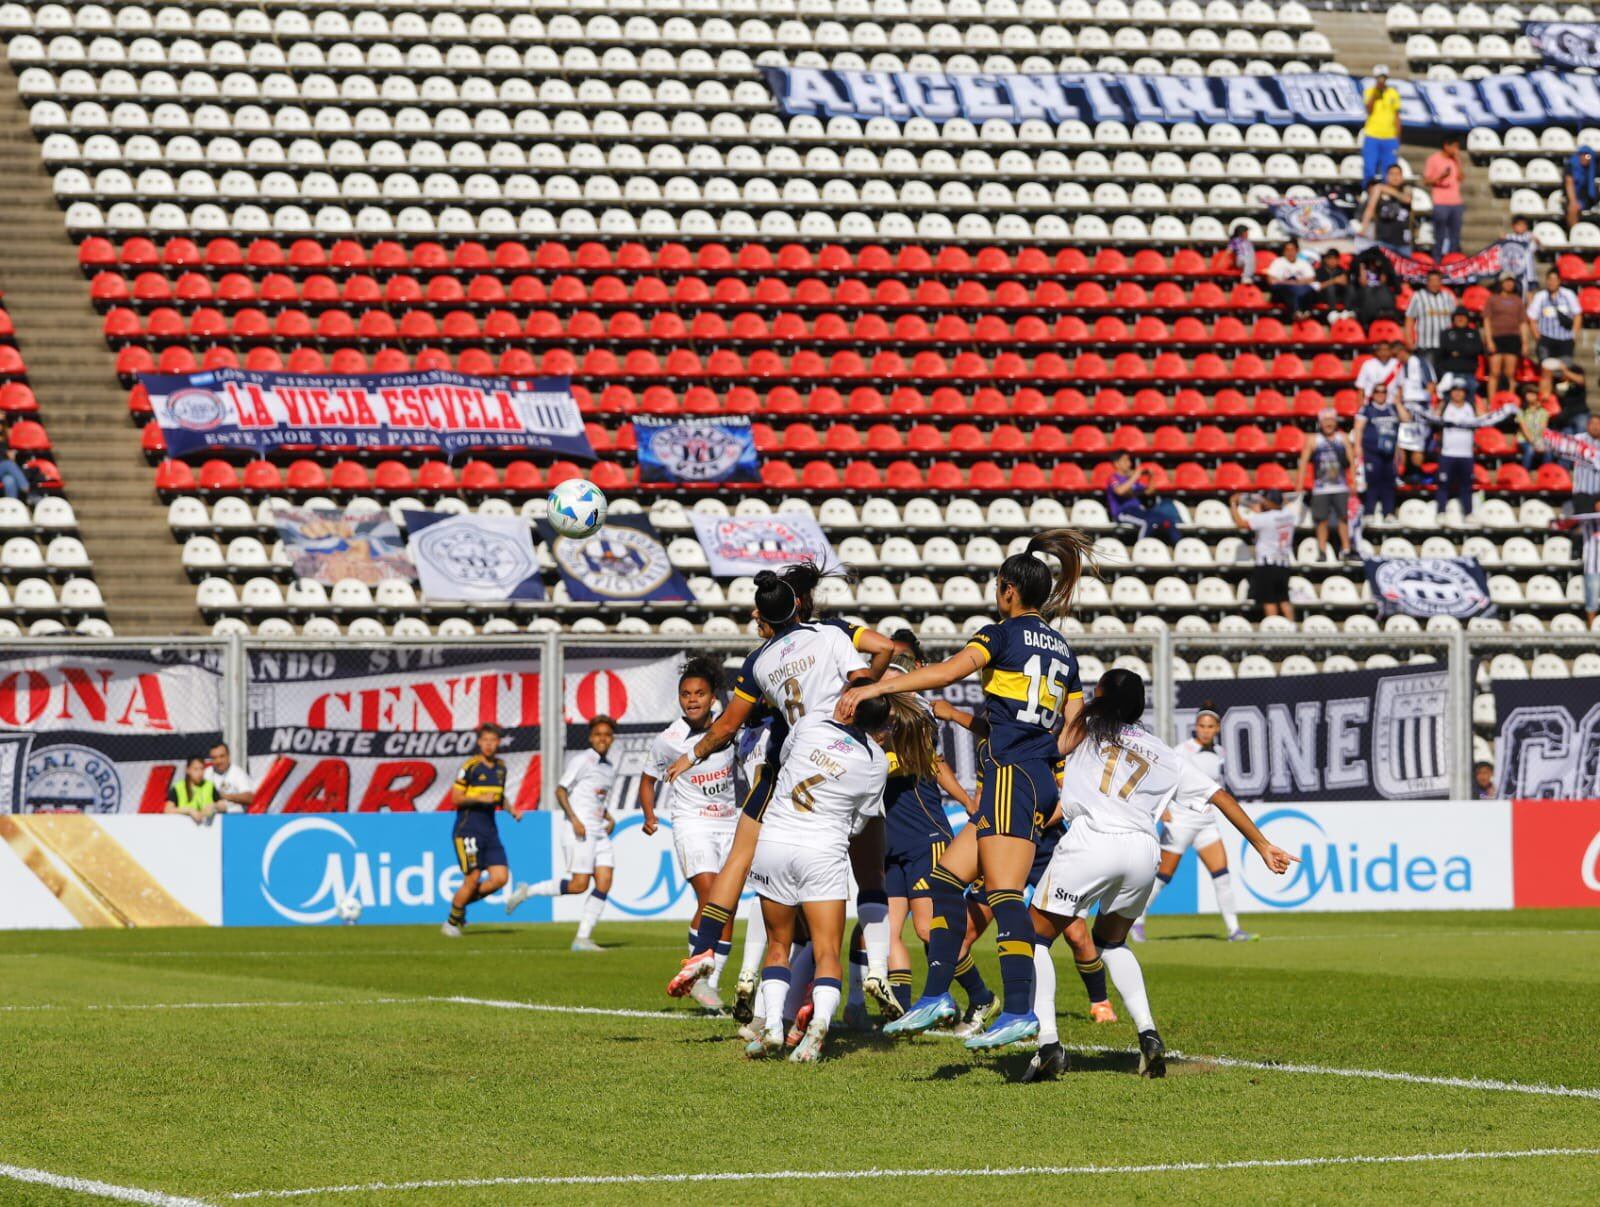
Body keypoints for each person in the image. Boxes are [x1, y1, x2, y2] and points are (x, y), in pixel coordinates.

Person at [840, 530, 1093, 1050]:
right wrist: (1041, 755)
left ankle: (1019, 1009)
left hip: (1009, 775)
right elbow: (1073, 725)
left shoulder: (999, 634)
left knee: (1003, 892)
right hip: (1034, 775)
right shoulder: (1064, 650)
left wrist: (879, 685)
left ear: (1006, 590)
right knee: (943, 880)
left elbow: (948, 671)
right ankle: (936, 995)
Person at [1022, 671, 1294, 1082]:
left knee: (1034, 939)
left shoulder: (1086, 729)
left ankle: (1048, 1045)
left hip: (1093, 840)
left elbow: (1052, 743)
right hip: (1142, 850)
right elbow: (1218, 796)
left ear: (1101, 700)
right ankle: (1148, 1035)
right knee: (1111, 942)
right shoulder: (1164, 752)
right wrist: (1261, 845)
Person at [664, 563, 895, 1008]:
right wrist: (864, 692)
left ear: (765, 615)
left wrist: (690, 755)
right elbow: (882, 648)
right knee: (868, 875)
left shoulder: (758, 661)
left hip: (792, 762)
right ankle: (874, 975)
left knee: (747, 861)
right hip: (847, 757)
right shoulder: (832, 633)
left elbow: (727, 725)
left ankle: (708, 950)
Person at [743, 698, 891, 1063]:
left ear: (848, 708)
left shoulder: (809, 725)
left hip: (775, 840)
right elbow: (861, 822)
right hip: (823, 850)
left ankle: (774, 1027)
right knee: (826, 951)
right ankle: (818, 1029)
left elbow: (785, 759)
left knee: (779, 943)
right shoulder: (876, 761)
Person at [638, 657, 741, 1011]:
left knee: (726, 906)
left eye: (699, 693)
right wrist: (649, 814)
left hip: (729, 823)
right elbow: (647, 779)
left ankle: (709, 983)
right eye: (685, 694)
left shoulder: (730, 730)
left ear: (713, 696)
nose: (692, 700)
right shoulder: (669, 739)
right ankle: (698, 970)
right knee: (712, 896)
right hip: (691, 822)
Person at [1130, 706, 1256, 944]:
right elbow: (1162, 777)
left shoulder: (1220, 752)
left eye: (1210, 726)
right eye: (1202, 726)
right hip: (1181, 822)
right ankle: (1137, 921)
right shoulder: (1182, 751)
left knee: (1222, 875)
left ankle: (1234, 930)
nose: (1206, 731)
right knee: (1163, 877)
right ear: (1196, 727)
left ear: (1217, 728)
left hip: (1207, 822)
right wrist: (1164, 807)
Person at [507, 715, 617, 951]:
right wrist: (575, 819)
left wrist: (607, 816)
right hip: (579, 830)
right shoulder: (582, 760)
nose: (602, 739)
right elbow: (560, 790)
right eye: (598, 734)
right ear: (591, 737)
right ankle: (528, 891)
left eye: (607, 735)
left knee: (605, 882)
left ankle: (582, 938)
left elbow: (593, 797)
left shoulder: (609, 767)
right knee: (579, 885)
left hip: (599, 831)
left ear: (612, 738)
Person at [441, 724, 521, 937]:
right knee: (473, 877)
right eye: (485, 740)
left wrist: (512, 810)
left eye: (493, 740)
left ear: (498, 743)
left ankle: (461, 905)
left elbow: (499, 796)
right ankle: (451, 923)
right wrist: (478, 797)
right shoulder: (470, 767)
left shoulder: (501, 768)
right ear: (479, 742)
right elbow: (455, 798)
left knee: (500, 878)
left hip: (490, 832)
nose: (488, 744)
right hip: (468, 831)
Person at [1297, 408, 1355, 560]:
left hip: (1340, 486)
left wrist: (1353, 482)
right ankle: (1322, 551)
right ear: (1320, 423)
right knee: (1321, 520)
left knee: (1343, 518)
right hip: (1321, 488)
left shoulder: (1342, 438)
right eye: (1325, 421)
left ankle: (1346, 549)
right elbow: (1303, 463)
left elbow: (1351, 461)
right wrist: (1299, 484)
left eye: (1331, 420)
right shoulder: (1313, 440)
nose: (1328, 424)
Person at [1231, 490, 1298, 620]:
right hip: (1283, 563)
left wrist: (1233, 504)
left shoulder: (1264, 518)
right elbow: (1274, 515)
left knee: (1269, 600)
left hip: (1267, 565)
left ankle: (1272, 629)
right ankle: (1292, 627)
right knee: (1284, 599)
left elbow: (1241, 523)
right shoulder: (1289, 515)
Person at [1105, 451, 1180, 544]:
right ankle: (1141, 548)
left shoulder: (1131, 479)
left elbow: (1149, 491)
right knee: (1148, 522)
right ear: (1116, 464)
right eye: (1125, 460)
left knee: (1165, 518)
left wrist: (1151, 476)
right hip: (1123, 512)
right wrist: (1135, 476)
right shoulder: (1113, 478)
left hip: (1138, 510)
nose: (1129, 464)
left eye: (1129, 460)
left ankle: (1178, 544)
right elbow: (1120, 491)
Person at [1483, 275, 1532, 400]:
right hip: (1496, 338)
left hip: (1513, 338)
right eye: (1506, 281)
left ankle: (1509, 400)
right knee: (1494, 373)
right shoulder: (1492, 299)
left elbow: (1523, 323)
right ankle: (1492, 401)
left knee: (1510, 374)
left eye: (1511, 281)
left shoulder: (1517, 301)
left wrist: (1525, 343)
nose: (1509, 284)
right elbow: (1487, 320)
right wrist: (1489, 340)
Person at [1395, 344, 1437, 490]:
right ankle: (1406, 475)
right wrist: (1400, 406)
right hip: (1406, 410)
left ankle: (1417, 475)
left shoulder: (1421, 363)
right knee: (1405, 444)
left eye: (1397, 354)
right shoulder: (1401, 368)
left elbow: (1431, 385)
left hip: (1420, 409)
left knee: (1418, 445)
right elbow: (1400, 390)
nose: (1396, 357)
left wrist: (1422, 406)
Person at [1404, 270, 1457, 373]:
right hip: (1426, 345)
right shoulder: (1418, 296)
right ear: (1427, 282)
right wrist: (1409, 340)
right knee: (1428, 374)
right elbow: (1409, 318)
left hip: (1444, 345)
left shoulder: (1447, 297)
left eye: (1437, 280)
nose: (1434, 283)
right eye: (1432, 281)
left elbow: (1454, 319)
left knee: (1444, 375)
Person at [1546, 412, 1600, 511]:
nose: (1595, 427)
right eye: (1592, 423)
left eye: (1598, 424)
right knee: (1584, 521)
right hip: (1583, 492)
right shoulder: (1578, 440)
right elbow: (1560, 446)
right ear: (1587, 425)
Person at [1527, 270, 1582, 363]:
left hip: (1565, 339)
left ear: (1559, 281)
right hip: (1546, 338)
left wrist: (1574, 335)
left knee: (1565, 368)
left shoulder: (1568, 295)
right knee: (1546, 369)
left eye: (1554, 279)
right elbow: (1531, 318)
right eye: (1550, 279)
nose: (1552, 282)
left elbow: (1577, 314)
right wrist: (1538, 338)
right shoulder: (1540, 296)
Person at [1424, 135, 1466, 256]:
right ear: (1446, 146)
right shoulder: (1433, 159)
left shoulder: (1455, 160)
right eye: (1454, 147)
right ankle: (1437, 260)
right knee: (1440, 235)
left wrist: (1458, 161)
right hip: (1440, 202)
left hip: (1456, 203)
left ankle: (1452, 259)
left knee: (1455, 235)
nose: (1456, 150)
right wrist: (1441, 177)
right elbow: (1426, 181)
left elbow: (1461, 178)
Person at [1361, 65, 1403, 185]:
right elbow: (1368, 110)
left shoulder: (1393, 93)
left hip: (1390, 137)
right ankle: (1369, 193)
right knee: (1369, 168)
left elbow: (1397, 116)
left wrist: (1398, 137)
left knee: (1389, 169)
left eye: (1383, 77)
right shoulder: (1369, 92)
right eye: (1379, 78)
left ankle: (1387, 196)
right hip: (1372, 135)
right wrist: (1376, 93)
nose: (1381, 80)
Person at [1363, 163, 1413, 250]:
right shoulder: (1378, 192)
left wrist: (1382, 188)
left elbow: (1406, 199)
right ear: (1386, 176)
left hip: (1403, 243)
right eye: (1392, 174)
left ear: (1402, 177)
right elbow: (1370, 209)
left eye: (1398, 174)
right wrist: (1363, 228)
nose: (1395, 177)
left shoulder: (1406, 189)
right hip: (1384, 241)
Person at [1265, 239, 1318, 316]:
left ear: (1297, 250)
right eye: (1287, 250)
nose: (1290, 253)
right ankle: (1296, 312)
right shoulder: (1278, 262)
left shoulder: (1303, 263)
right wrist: (1289, 283)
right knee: (1287, 290)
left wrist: (1296, 283)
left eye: (1292, 250)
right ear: (1284, 251)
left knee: (1309, 290)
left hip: (1300, 290)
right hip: (1282, 292)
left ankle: (1305, 312)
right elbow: (1270, 280)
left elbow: (1311, 279)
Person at [164, 756, 218, 825]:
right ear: (188, 770)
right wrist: (189, 810)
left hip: (208, 827)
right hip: (183, 827)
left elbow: (222, 804)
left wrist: (214, 806)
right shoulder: (178, 787)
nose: (200, 772)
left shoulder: (209, 785)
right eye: (196, 769)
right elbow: (168, 810)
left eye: (202, 769)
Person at [204, 741, 254, 812]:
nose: (218, 761)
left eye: (222, 756)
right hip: (210, 815)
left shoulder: (237, 773)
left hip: (233, 816)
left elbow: (249, 797)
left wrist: (223, 796)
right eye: (214, 758)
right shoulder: (206, 773)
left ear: (228, 756)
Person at [1516, 384, 1552, 472]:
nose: (1529, 396)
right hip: (1524, 440)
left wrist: (1539, 442)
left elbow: (1543, 429)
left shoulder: (1543, 412)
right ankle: (1524, 473)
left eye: (1532, 394)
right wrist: (1534, 442)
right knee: (1530, 450)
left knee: (1548, 450)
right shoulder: (1521, 412)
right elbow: (1524, 430)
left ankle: (1546, 473)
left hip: (1539, 439)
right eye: (1528, 394)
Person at [1564, 144, 1599, 228]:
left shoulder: (1593, 166)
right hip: (1575, 197)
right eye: (1582, 155)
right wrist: (1573, 201)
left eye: (1587, 155)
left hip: (1589, 197)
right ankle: (1573, 232)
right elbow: (1569, 183)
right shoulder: (1571, 166)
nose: (1584, 157)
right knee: (1573, 208)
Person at [1316, 249, 1352, 319]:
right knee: (1330, 288)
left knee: (1350, 288)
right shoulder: (1319, 271)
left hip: (1339, 296)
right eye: (1330, 258)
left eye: (1335, 258)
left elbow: (1346, 283)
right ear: (1325, 260)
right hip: (1323, 297)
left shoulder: (1341, 270)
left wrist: (1345, 282)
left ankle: (1347, 311)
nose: (1332, 261)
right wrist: (1334, 281)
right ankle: (1333, 313)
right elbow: (1317, 287)